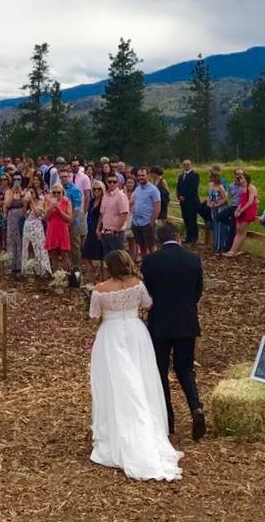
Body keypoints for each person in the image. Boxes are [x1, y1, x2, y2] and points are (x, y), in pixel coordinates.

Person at [88, 249, 184, 481]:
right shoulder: (137, 284)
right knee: (140, 378)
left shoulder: (100, 290)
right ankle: (146, 426)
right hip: (135, 332)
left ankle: (117, 430)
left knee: (116, 382)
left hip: (110, 335)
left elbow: (93, 316)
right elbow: (148, 304)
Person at [140, 222, 205, 441]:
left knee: (160, 370)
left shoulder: (150, 262)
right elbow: (198, 291)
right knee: (185, 368)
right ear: (177, 237)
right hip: (186, 321)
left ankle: (167, 418)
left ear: (158, 242)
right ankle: (196, 407)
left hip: (160, 322)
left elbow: (148, 293)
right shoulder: (193, 260)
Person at [130, 167, 161, 261]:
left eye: (143, 175)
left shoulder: (153, 190)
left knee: (151, 246)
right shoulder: (137, 189)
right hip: (136, 222)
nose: (140, 177)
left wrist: (151, 221)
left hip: (147, 222)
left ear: (148, 175)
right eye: (139, 175)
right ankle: (146, 264)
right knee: (142, 246)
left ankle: (155, 264)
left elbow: (157, 207)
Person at [225, 172, 258, 257]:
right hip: (242, 210)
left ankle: (233, 251)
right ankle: (233, 250)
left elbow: (250, 202)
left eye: (242, 178)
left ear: (246, 179)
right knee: (238, 231)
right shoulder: (242, 188)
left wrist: (241, 210)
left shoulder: (251, 188)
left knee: (242, 231)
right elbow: (241, 202)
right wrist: (237, 210)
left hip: (248, 210)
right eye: (239, 178)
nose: (240, 180)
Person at [21, 186, 52, 277]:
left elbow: (38, 214)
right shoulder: (26, 203)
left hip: (37, 226)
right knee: (28, 246)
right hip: (27, 225)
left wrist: (31, 202)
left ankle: (43, 269)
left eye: (32, 192)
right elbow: (23, 214)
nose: (30, 195)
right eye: (29, 192)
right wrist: (26, 204)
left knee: (39, 246)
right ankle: (30, 267)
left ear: (35, 193)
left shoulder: (41, 201)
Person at [97, 172, 129, 256]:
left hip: (116, 233)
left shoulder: (121, 196)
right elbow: (102, 214)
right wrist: (98, 229)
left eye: (114, 182)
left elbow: (124, 214)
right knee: (107, 258)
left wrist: (116, 230)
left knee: (118, 258)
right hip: (105, 231)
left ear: (118, 183)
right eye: (109, 181)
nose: (112, 184)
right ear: (106, 182)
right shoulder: (105, 196)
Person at [45, 183, 73, 273]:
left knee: (64, 254)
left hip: (62, 230)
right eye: (54, 192)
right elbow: (45, 218)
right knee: (53, 254)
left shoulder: (67, 201)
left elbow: (69, 219)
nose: (56, 194)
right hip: (52, 230)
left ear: (62, 193)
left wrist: (60, 210)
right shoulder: (49, 202)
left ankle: (66, 275)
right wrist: (51, 208)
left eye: (58, 192)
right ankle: (56, 275)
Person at [83, 180, 106, 280]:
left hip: (99, 229)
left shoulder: (104, 201)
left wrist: (99, 229)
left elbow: (102, 216)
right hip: (90, 228)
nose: (96, 190)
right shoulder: (92, 201)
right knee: (86, 254)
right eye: (94, 189)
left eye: (99, 189)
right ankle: (90, 277)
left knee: (98, 256)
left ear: (102, 190)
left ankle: (99, 277)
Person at [3, 174, 25, 273]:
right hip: (12, 216)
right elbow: (7, 204)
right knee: (12, 239)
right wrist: (13, 192)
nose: (17, 181)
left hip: (22, 216)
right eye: (15, 179)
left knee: (21, 239)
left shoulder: (25, 190)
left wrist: (20, 192)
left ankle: (20, 264)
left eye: (19, 179)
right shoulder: (8, 191)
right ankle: (12, 264)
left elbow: (26, 203)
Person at [204, 170, 230, 253]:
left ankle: (220, 246)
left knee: (220, 226)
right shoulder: (211, 185)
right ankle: (215, 245)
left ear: (215, 177)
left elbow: (225, 198)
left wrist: (217, 204)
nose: (209, 178)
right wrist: (208, 203)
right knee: (214, 226)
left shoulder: (220, 187)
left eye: (211, 177)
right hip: (212, 209)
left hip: (219, 208)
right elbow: (209, 196)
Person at [176, 159, 200, 244]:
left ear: (191, 165)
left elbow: (193, 188)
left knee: (192, 219)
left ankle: (194, 238)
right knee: (186, 219)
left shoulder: (195, 175)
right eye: (184, 164)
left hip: (192, 201)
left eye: (188, 164)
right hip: (183, 202)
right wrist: (179, 196)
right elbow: (178, 187)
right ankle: (188, 237)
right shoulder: (181, 176)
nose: (186, 166)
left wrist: (185, 196)